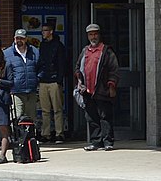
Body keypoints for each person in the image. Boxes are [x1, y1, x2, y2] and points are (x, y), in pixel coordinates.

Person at [76, 23, 119, 151]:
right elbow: (78, 67)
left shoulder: (106, 51)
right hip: (87, 90)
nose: (93, 37)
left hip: (102, 89)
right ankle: (96, 142)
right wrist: (79, 80)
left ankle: (107, 142)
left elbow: (114, 69)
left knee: (105, 116)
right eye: (90, 34)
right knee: (91, 117)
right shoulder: (85, 51)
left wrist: (111, 85)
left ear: (99, 35)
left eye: (95, 34)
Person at [36, 21, 69, 142]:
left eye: (45, 30)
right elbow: (40, 62)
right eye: (42, 30)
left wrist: (59, 80)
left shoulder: (58, 45)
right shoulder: (42, 45)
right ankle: (46, 133)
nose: (43, 33)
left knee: (57, 109)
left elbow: (62, 64)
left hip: (55, 80)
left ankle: (59, 133)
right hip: (43, 80)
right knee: (45, 110)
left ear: (51, 32)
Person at [5, 29, 39, 121]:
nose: (19, 40)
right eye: (17, 38)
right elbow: (5, 72)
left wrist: (37, 81)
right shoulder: (7, 53)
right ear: (14, 39)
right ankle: (16, 135)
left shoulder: (34, 52)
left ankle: (31, 135)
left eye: (22, 38)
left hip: (31, 91)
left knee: (32, 118)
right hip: (16, 91)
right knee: (17, 118)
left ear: (26, 39)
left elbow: (39, 68)